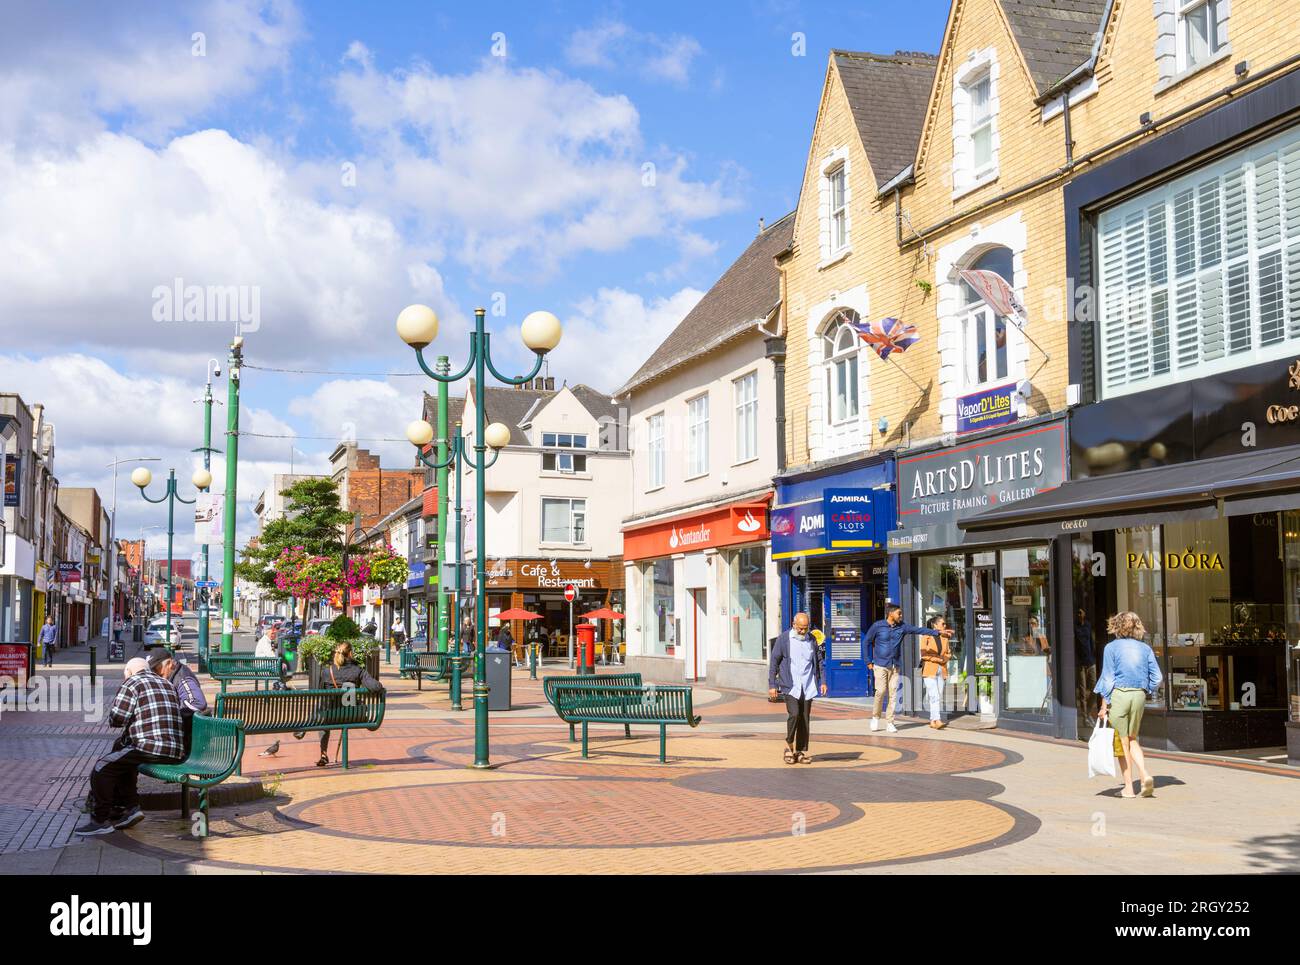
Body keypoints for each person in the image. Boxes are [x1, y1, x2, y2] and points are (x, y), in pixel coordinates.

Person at [75, 656, 184, 835]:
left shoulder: (132, 682)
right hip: (175, 748)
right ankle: (131, 809)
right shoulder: (166, 683)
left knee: (102, 768)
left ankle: (100, 820)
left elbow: (118, 719)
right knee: (122, 760)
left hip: (150, 746)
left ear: (128, 672)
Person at [1095, 611, 1163, 799]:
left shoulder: (1111, 648)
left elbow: (1108, 679)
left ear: (1116, 626)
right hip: (1138, 696)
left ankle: (1128, 788)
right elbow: (1158, 677)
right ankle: (1144, 774)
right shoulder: (1145, 649)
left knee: (1121, 741)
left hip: (1119, 695)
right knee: (1132, 738)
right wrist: (1145, 689)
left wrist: (1103, 706)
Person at [864, 604, 953, 733]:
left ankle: (890, 722)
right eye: (899, 613)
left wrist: (938, 632)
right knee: (881, 691)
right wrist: (868, 661)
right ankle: (875, 717)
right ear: (891, 614)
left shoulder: (902, 627)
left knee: (893, 694)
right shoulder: (877, 626)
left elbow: (919, 630)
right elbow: (866, 642)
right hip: (880, 665)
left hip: (895, 665)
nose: (901, 616)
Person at [314, 640, 384, 767]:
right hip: (352, 716)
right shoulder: (357, 670)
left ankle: (323, 754)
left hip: (331, 717)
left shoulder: (326, 671)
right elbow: (376, 687)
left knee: (323, 711)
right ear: (350, 653)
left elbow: (320, 692)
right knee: (352, 704)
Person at [768, 612, 827, 764]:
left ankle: (799, 751)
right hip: (790, 685)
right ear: (794, 625)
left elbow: (819, 662)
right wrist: (772, 685)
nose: (802, 631)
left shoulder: (812, 640)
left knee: (804, 719)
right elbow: (774, 661)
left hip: (807, 685)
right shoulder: (784, 639)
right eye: (800, 628)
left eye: (805, 628)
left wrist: (823, 681)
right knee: (794, 714)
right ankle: (788, 746)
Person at [147, 648, 207, 755]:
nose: (155, 674)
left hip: (184, 740)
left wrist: (171, 717)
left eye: (157, 669)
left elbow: (197, 703)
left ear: (169, 664)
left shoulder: (183, 678)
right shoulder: (169, 676)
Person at [919, 615, 953, 729]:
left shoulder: (945, 637)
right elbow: (924, 654)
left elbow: (948, 653)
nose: (945, 626)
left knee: (938, 695)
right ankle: (937, 719)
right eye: (942, 624)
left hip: (942, 669)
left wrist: (945, 658)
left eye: (945, 624)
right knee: (934, 695)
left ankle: (932, 721)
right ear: (935, 625)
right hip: (929, 669)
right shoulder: (926, 636)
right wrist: (938, 659)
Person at [1075, 608, 1097, 724]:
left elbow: (1091, 642)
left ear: (1085, 613)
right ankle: (1084, 717)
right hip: (1081, 663)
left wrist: (1093, 657)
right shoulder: (1075, 627)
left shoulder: (1088, 626)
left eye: (1081, 612)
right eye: (1078, 613)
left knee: (1094, 688)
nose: (1080, 614)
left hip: (1090, 661)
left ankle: (1088, 712)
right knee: (1082, 691)